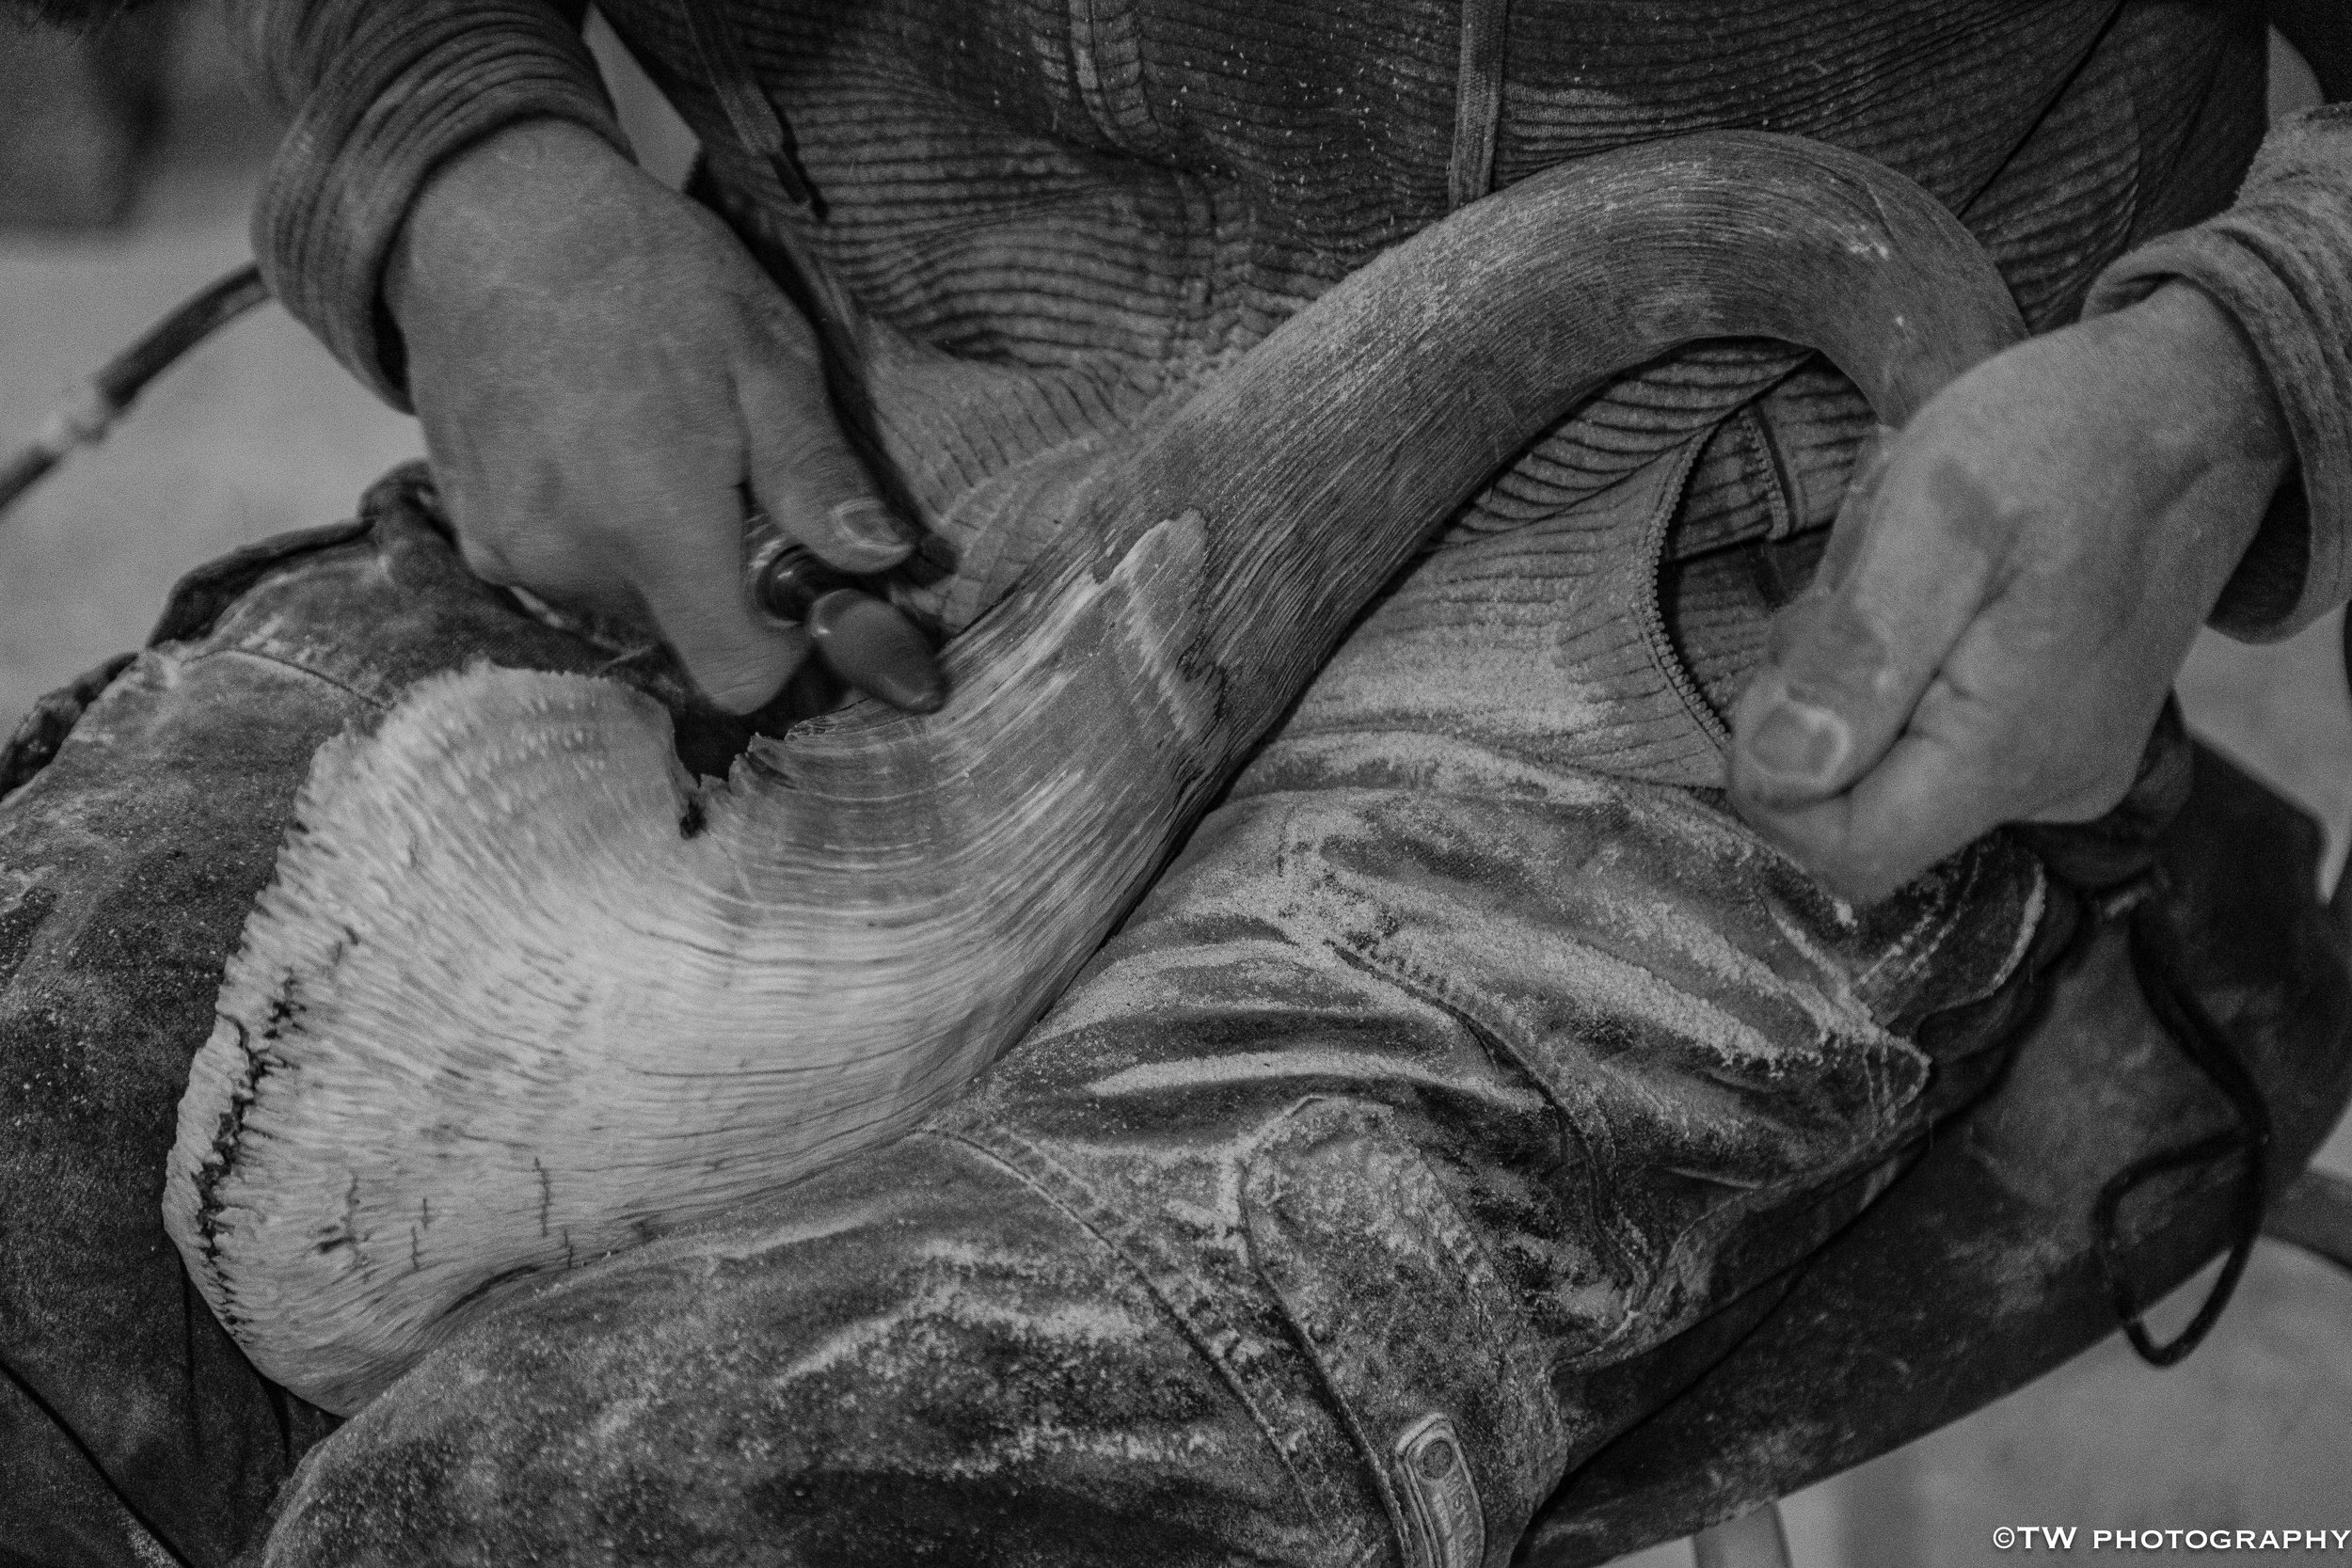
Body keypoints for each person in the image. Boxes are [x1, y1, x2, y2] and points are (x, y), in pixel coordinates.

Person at [0, 0, 2344, 1561]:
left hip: (1717, 615)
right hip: (829, 450)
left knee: (597, 1507)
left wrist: (2239, 371)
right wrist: (464, 153)